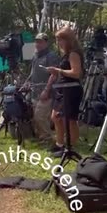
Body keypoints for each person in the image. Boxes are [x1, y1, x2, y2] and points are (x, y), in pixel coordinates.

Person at [44, 26, 84, 157]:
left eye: (61, 40)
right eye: (57, 40)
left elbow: (76, 73)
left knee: (70, 120)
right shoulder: (65, 55)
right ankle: (59, 144)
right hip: (62, 89)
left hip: (72, 90)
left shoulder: (73, 53)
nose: (58, 43)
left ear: (68, 40)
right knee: (56, 117)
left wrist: (59, 71)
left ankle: (69, 147)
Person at [24, 33, 60, 143]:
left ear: (46, 43)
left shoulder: (51, 56)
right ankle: (42, 137)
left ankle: (47, 138)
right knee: (36, 116)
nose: (37, 44)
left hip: (47, 91)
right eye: (36, 41)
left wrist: (47, 90)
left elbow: (54, 75)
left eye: (40, 42)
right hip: (35, 91)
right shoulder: (35, 56)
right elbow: (32, 72)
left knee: (40, 116)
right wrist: (27, 81)